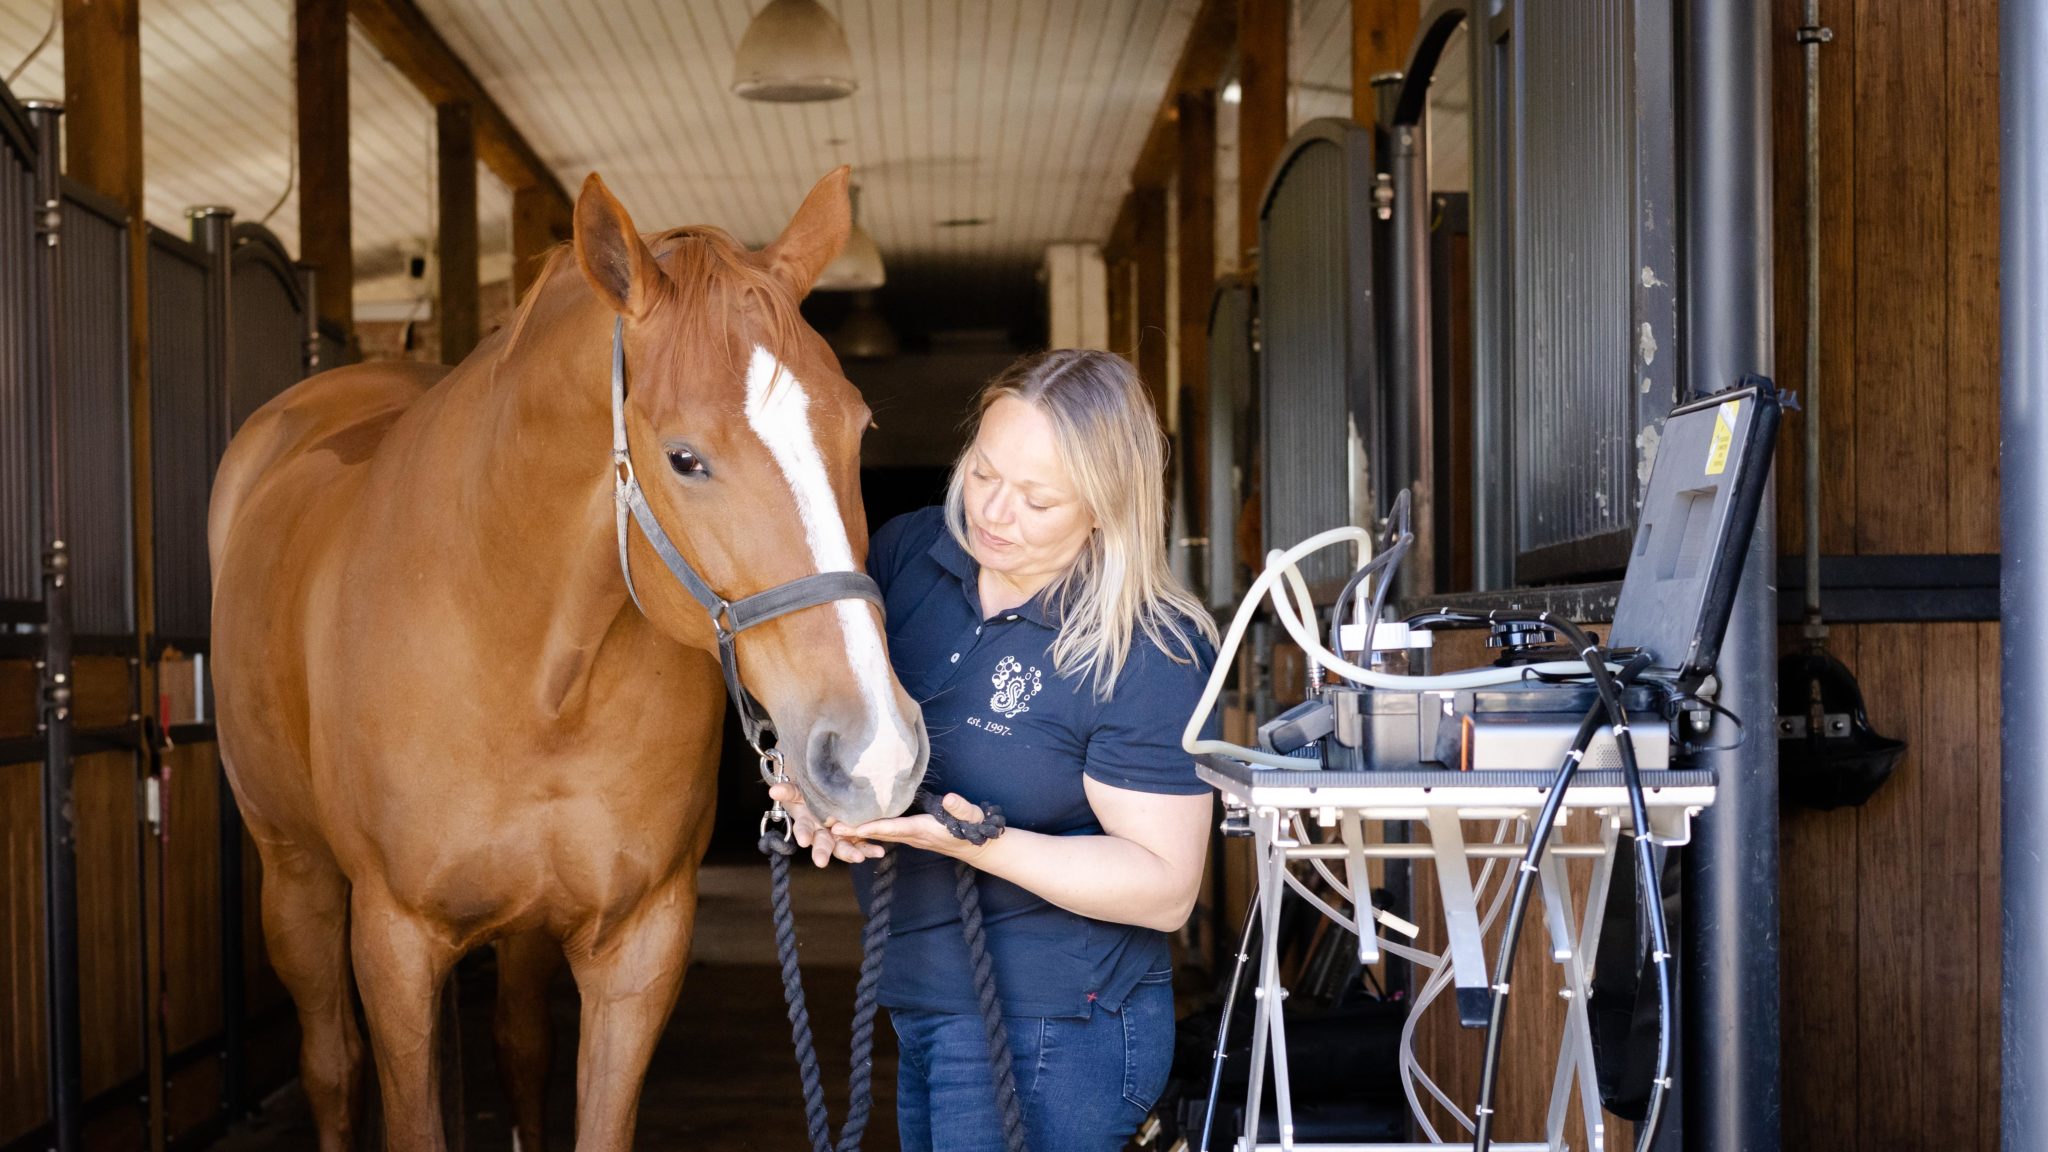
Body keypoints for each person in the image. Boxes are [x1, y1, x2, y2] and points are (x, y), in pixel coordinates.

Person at [769, 348, 1221, 1152]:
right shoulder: (910, 556)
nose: (994, 513)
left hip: (1057, 1024)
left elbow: (1164, 889)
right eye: (984, 472)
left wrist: (977, 844)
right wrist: (818, 797)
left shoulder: (1147, 648)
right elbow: (848, 720)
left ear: (1103, 509)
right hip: (927, 1003)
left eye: (1038, 499)